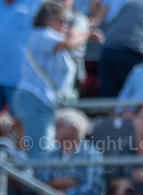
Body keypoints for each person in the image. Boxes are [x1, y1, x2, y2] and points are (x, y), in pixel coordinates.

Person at [11, 1, 90, 160]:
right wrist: (88, 35)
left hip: (34, 100)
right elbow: (69, 44)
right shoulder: (44, 34)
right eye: (61, 21)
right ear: (48, 19)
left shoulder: (42, 35)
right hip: (36, 100)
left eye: (67, 22)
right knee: (41, 154)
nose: (65, 26)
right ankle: (35, 185)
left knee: (28, 154)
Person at [0, 0, 38, 139]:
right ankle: (7, 146)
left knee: (20, 123)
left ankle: (22, 158)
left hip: (22, 79)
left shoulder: (35, 4)